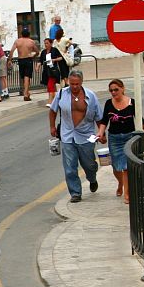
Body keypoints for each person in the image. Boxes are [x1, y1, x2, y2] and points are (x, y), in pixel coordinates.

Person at [48, 70, 101, 203]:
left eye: (77, 84)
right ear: (68, 82)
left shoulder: (91, 96)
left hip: (86, 135)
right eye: (72, 84)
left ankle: (92, 178)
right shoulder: (61, 94)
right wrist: (52, 126)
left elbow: (98, 116)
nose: (74, 86)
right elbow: (53, 110)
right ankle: (75, 192)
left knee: (89, 165)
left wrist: (102, 132)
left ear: (81, 82)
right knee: (70, 167)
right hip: (67, 135)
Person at [96, 79, 144, 205]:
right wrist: (100, 132)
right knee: (117, 167)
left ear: (122, 89)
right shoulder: (108, 103)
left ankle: (127, 193)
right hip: (114, 138)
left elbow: (141, 120)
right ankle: (120, 183)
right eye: (111, 90)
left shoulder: (132, 103)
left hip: (129, 137)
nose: (113, 92)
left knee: (126, 168)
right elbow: (104, 121)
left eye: (116, 89)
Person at [7, 27, 39, 101]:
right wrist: (33, 55)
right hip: (28, 59)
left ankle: (26, 92)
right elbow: (37, 51)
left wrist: (9, 60)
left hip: (20, 59)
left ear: (21, 34)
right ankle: (25, 93)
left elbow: (11, 51)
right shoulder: (31, 42)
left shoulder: (17, 41)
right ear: (29, 34)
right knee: (27, 76)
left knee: (23, 77)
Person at [36, 38, 64, 107]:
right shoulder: (43, 52)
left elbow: (61, 58)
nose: (46, 45)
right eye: (45, 43)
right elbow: (40, 61)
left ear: (51, 44)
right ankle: (56, 101)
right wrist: (38, 66)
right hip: (46, 71)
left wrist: (54, 60)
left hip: (53, 71)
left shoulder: (54, 50)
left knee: (50, 85)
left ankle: (50, 101)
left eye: (47, 43)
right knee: (51, 87)